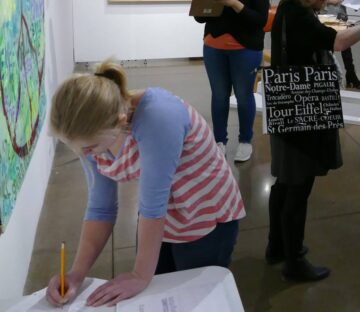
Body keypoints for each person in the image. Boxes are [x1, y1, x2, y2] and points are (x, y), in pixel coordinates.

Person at [45, 61, 244, 307]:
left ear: (119, 122)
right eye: (74, 147)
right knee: (159, 293)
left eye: (89, 148)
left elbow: (153, 205)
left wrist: (140, 274)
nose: (85, 154)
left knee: (193, 297)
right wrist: (76, 273)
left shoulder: (159, 116)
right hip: (165, 214)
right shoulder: (92, 135)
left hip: (205, 211)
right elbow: (101, 208)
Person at [267, 0, 360, 281]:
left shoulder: (289, 7)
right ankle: (294, 262)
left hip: (288, 106)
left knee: (286, 183)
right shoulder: (299, 14)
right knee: (297, 187)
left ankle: (278, 247)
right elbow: (339, 42)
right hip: (303, 107)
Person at [194, 0, 268, 163]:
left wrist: (234, 4)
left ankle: (245, 140)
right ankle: (219, 141)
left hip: (245, 49)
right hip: (213, 48)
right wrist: (205, 2)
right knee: (219, 95)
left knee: (245, 96)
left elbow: (260, 20)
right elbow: (199, 16)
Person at [325, 0, 360, 89]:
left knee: (347, 45)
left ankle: (351, 74)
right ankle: (328, 76)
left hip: (341, 17)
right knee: (329, 47)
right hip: (327, 17)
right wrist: (330, 0)